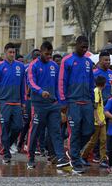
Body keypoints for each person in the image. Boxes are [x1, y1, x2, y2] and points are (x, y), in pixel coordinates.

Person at [26, 41, 70, 169]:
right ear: (41, 52)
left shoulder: (54, 66)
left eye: (50, 54)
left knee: (56, 131)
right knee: (35, 131)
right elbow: (31, 82)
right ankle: (31, 158)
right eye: (47, 54)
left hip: (53, 105)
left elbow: (58, 85)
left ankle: (60, 157)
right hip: (38, 105)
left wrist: (60, 101)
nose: (49, 57)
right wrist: (40, 91)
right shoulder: (33, 65)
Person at [58, 36, 95, 173]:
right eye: (82, 46)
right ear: (77, 45)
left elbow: (92, 82)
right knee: (75, 131)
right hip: (73, 102)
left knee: (89, 130)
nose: (84, 49)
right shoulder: (67, 61)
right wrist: (63, 101)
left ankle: (74, 151)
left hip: (87, 102)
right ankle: (75, 159)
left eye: (86, 47)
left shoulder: (88, 62)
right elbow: (62, 81)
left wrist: (93, 100)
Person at [0, 43, 25, 164]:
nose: (12, 54)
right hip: (3, 102)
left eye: (14, 52)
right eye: (10, 52)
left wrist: (23, 102)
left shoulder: (20, 66)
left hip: (16, 102)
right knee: (4, 128)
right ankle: (6, 154)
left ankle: (1, 144)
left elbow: (22, 85)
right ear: (5, 53)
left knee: (19, 126)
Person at [80, 76, 108, 168]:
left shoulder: (99, 91)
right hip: (97, 121)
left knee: (103, 140)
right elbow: (95, 107)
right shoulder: (96, 91)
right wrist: (98, 119)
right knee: (93, 141)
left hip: (102, 120)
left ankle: (102, 159)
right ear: (104, 84)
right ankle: (83, 156)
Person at [18, 49, 40, 153]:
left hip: (38, 100)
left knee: (36, 123)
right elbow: (23, 83)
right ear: (32, 56)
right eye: (35, 55)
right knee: (27, 123)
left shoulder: (42, 66)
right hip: (28, 99)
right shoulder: (27, 68)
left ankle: (32, 144)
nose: (37, 57)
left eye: (39, 55)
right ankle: (20, 143)